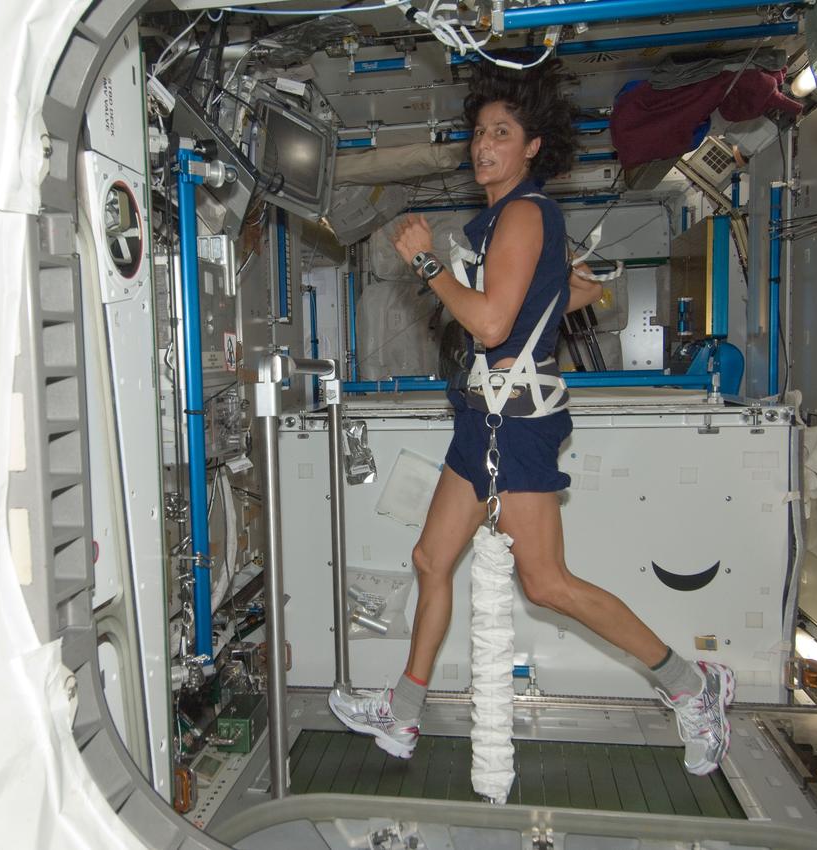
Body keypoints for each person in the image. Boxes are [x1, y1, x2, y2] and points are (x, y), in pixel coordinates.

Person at [328, 59, 734, 777]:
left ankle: (692, 688)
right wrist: (571, 291)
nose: (485, 145)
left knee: (547, 584)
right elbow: (538, 306)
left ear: (533, 145)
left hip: (513, 425)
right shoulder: (513, 218)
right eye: (480, 132)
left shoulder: (523, 211)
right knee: (430, 560)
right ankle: (405, 714)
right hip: (483, 419)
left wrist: (427, 264)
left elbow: (488, 324)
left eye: (503, 133)